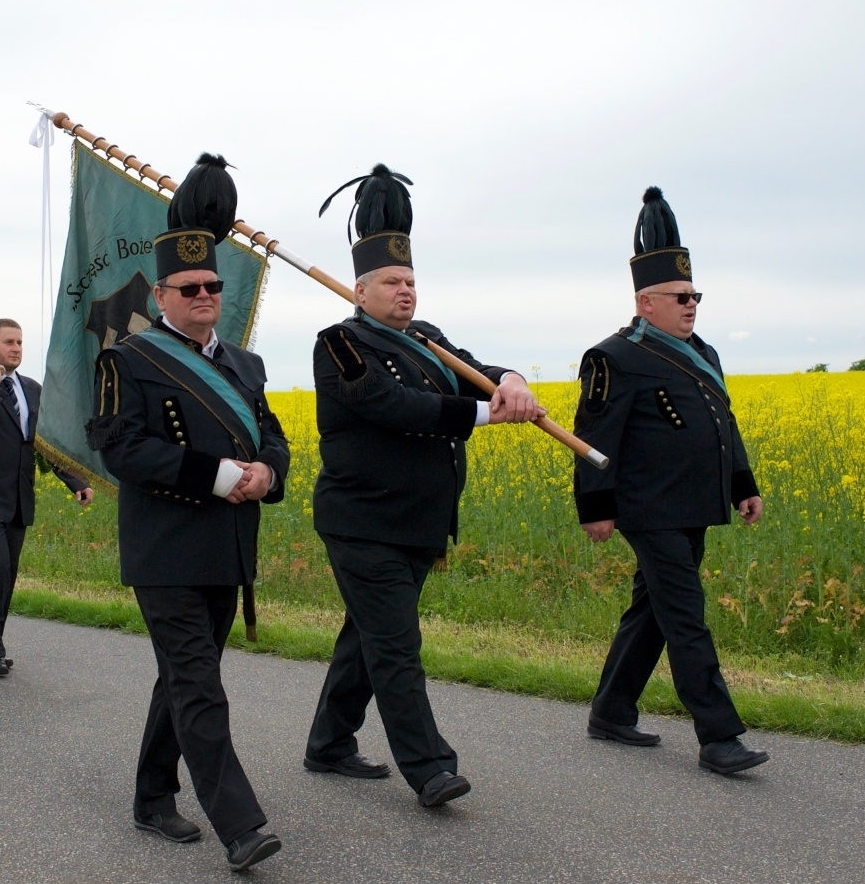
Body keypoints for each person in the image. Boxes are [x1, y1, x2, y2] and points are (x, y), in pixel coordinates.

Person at [304, 164, 542, 809]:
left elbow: (480, 372)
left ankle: (328, 743)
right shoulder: (340, 346)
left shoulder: (429, 339)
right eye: (391, 281)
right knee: (396, 647)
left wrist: (512, 378)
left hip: (419, 522)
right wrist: (488, 412)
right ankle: (431, 768)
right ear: (360, 290)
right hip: (363, 522)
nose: (405, 291)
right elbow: (392, 406)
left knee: (368, 637)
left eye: (411, 281)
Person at [87, 153, 290, 873]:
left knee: (183, 676)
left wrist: (268, 471)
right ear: (163, 294)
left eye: (213, 285)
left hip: (226, 550)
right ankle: (240, 824)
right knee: (200, 683)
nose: (206, 295)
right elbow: (121, 447)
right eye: (190, 287)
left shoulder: (246, 365)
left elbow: (272, 433)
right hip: (166, 550)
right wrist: (219, 473)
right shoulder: (129, 359)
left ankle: (150, 794)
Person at [572, 187, 769, 775]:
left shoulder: (701, 351)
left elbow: (721, 424)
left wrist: (742, 484)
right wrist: (595, 508)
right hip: (647, 508)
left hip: (694, 505)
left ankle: (611, 708)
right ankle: (718, 737)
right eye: (681, 297)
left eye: (695, 295)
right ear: (646, 302)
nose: (691, 305)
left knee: (653, 611)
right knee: (685, 614)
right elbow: (593, 437)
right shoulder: (613, 356)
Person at [0, 318, 92, 677]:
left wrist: (74, 480)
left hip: (17, 497)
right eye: (9, 342)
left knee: (7, 574)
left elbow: (44, 445)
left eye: (19, 342)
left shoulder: (32, 388)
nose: (16, 348)